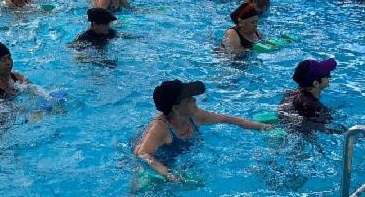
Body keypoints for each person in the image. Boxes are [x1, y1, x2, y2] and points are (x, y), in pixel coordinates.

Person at [133, 80, 273, 181]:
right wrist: (167, 173)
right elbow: (141, 152)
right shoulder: (160, 128)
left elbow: (227, 119)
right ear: (176, 108)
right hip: (156, 160)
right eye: (188, 99)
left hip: (177, 160)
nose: (194, 99)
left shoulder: (195, 115)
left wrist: (262, 126)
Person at [278, 58, 337, 133]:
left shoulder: (288, 94)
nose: (330, 77)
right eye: (327, 75)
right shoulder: (317, 108)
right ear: (316, 83)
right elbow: (325, 130)